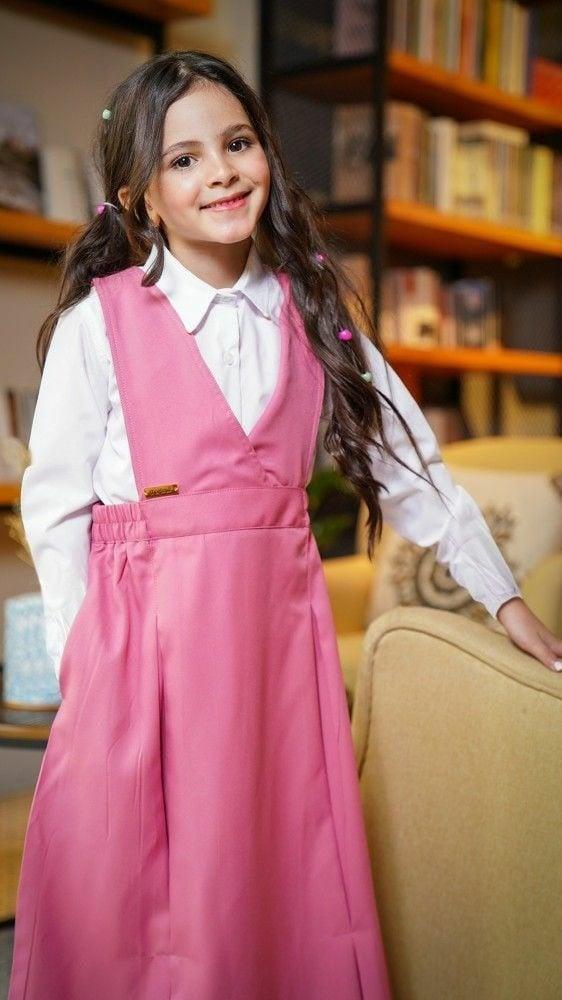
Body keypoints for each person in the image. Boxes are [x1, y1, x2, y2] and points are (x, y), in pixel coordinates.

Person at [8, 50, 561, 1000]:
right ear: (140, 199)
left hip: (275, 643)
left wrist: (506, 601)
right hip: (147, 646)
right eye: (184, 160)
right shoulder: (101, 325)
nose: (220, 172)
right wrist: (81, 661)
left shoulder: (310, 310)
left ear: (266, 152)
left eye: (237, 143)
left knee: (272, 868)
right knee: (151, 895)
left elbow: (413, 465)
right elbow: (54, 506)